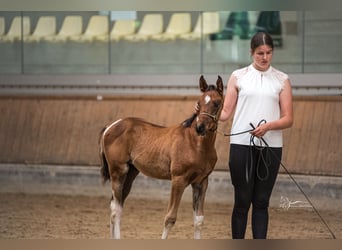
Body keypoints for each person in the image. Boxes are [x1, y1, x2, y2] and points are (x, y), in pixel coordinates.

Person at [219, 32, 293, 238]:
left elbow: (288, 118)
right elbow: (225, 113)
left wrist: (269, 126)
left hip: (271, 147)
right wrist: (206, 111)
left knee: (261, 202)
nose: (265, 57)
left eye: (269, 52)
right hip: (241, 145)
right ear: (251, 52)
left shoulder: (282, 80)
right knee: (242, 202)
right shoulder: (238, 76)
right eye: (260, 53)